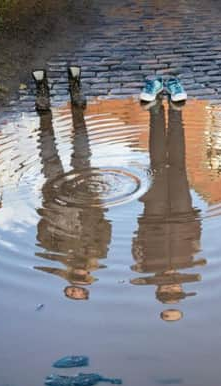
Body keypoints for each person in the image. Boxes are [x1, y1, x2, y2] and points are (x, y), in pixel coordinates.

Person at [131, 100, 205, 320]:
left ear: (159, 289)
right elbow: (196, 242)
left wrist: (144, 228)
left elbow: (137, 244)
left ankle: (156, 112)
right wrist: (193, 222)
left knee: (158, 164)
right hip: (183, 215)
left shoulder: (146, 267)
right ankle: (175, 113)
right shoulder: (189, 264)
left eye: (167, 292)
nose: (172, 287)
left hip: (154, 217)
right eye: (175, 292)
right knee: (179, 165)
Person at [34, 105, 112, 300]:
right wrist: (97, 209)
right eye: (81, 288)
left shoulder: (54, 258)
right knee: (82, 159)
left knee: (49, 160)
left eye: (72, 290)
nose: (79, 280)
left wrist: (52, 213)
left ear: (68, 283)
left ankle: (45, 121)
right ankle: (79, 117)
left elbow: (42, 231)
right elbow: (106, 228)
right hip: (87, 200)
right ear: (88, 280)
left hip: (57, 204)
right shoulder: (99, 255)